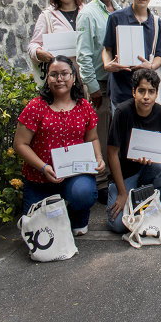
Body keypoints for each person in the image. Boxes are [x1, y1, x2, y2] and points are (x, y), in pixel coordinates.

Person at [14, 56, 104, 236]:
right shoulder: (36, 107)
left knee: (84, 193)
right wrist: (43, 167)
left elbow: (92, 138)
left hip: (75, 175)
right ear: (47, 79)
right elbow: (20, 144)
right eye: (53, 75)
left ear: (73, 77)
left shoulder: (84, 107)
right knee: (39, 232)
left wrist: (99, 158)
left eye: (64, 74)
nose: (59, 79)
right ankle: (53, 215)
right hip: (41, 178)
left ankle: (76, 216)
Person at [106, 69, 161, 233]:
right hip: (125, 174)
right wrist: (122, 193)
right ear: (133, 92)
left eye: (151, 92)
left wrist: (153, 158)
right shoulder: (122, 112)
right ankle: (120, 192)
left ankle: (150, 197)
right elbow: (111, 153)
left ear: (156, 93)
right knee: (118, 225)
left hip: (147, 169)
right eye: (142, 91)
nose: (146, 96)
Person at [76, 0, 119, 201]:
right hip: (100, 86)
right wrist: (92, 88)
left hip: (118, 83)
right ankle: (101, 183)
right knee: (100, 135)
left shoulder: (119, 11)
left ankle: (114, 177)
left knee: (115, 133)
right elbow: (82, 55)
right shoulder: (88, 14)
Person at [102, 0, 161, 112]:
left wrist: (151, 66)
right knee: (121, 129)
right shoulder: (115, 18)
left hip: (146, 90)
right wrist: (107, 64)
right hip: (121, 88)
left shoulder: (157, 23)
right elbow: (107, 49)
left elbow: (160, 55)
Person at [29, 0, 85, 78]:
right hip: (60, 80)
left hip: (88, 80)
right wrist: (38, 52)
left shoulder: (87, 13)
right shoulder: (47, 16)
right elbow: (33, 44)